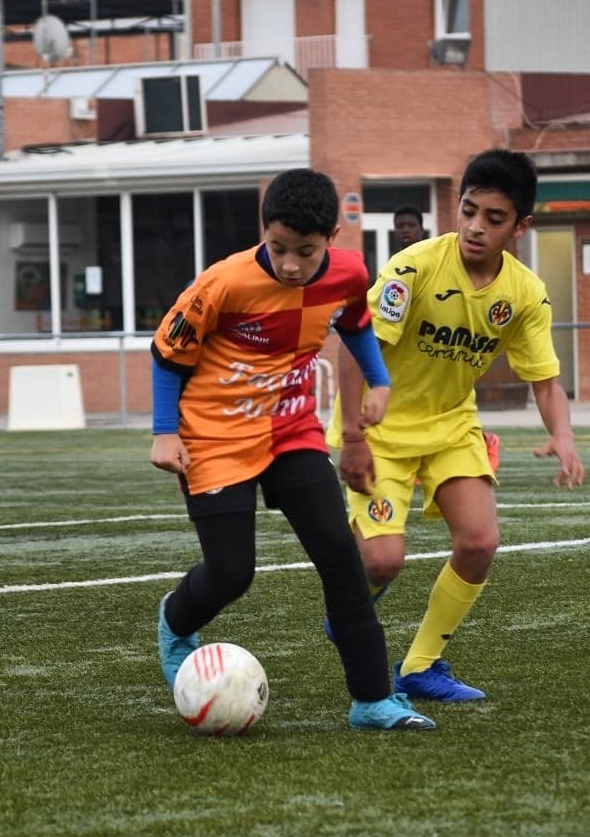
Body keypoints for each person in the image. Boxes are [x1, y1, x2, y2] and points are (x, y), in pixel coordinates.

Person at [150, 167, 435, 731]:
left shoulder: (350, 273)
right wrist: (165, 431)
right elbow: (168, 352)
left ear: (330, 237)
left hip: (290, 428)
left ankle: (373, 699)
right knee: (232, 573)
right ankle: (175, 620)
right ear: (265, 232)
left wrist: (379, 382)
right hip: (214, 434)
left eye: (304, 252)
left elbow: (355, 324)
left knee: (339, 555)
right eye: (278, 248)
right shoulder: (222, 284)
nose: (289, 265)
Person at [327, 148, 585, 701]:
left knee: (479, 542)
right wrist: (352, 437)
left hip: (450, 426)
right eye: (468, 211)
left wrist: (563, 435)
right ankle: (349, 597)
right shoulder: (413, 267)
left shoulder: (524, 293)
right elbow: (353, 344)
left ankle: (421, 665)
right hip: (381, 431)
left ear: (521, 226)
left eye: (494, 219)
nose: (475, 227)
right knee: (383, 562)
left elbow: (544, 378)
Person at [394, 203, 501, 472]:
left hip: (443, 343)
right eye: (400, 227)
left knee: (450, 403)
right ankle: (417, 461)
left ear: (422, 229)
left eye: (410, 226)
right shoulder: (397, 263)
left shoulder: (438, 258)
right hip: (411, 347)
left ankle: (484, 442)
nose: (405, 231)